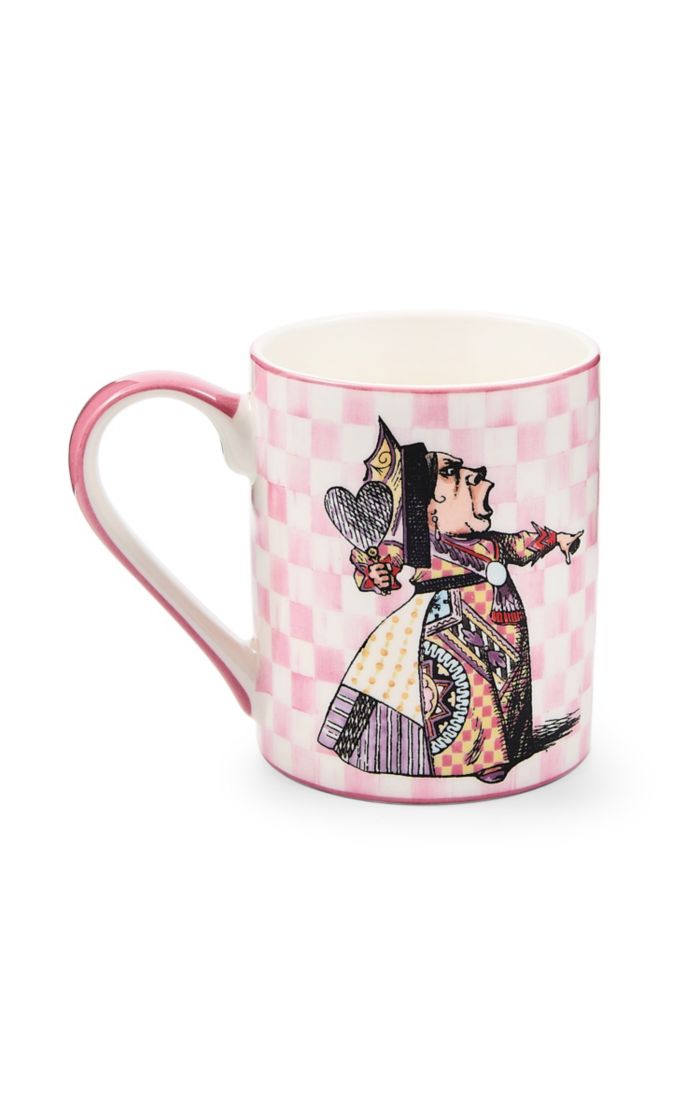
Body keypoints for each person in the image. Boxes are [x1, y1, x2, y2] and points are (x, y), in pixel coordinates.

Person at [318, 420, 583, 782]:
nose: (474, 476)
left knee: (507, 687)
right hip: (447, 624)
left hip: (502, 620)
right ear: (430, 502)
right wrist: (378, 573)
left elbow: (520, 545)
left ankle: (510, 746)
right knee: (469, 688)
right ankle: (479, 759)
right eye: (451, 473)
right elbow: (386, 564)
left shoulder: (489, 543)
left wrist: (557, 539)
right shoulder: (418, 543)